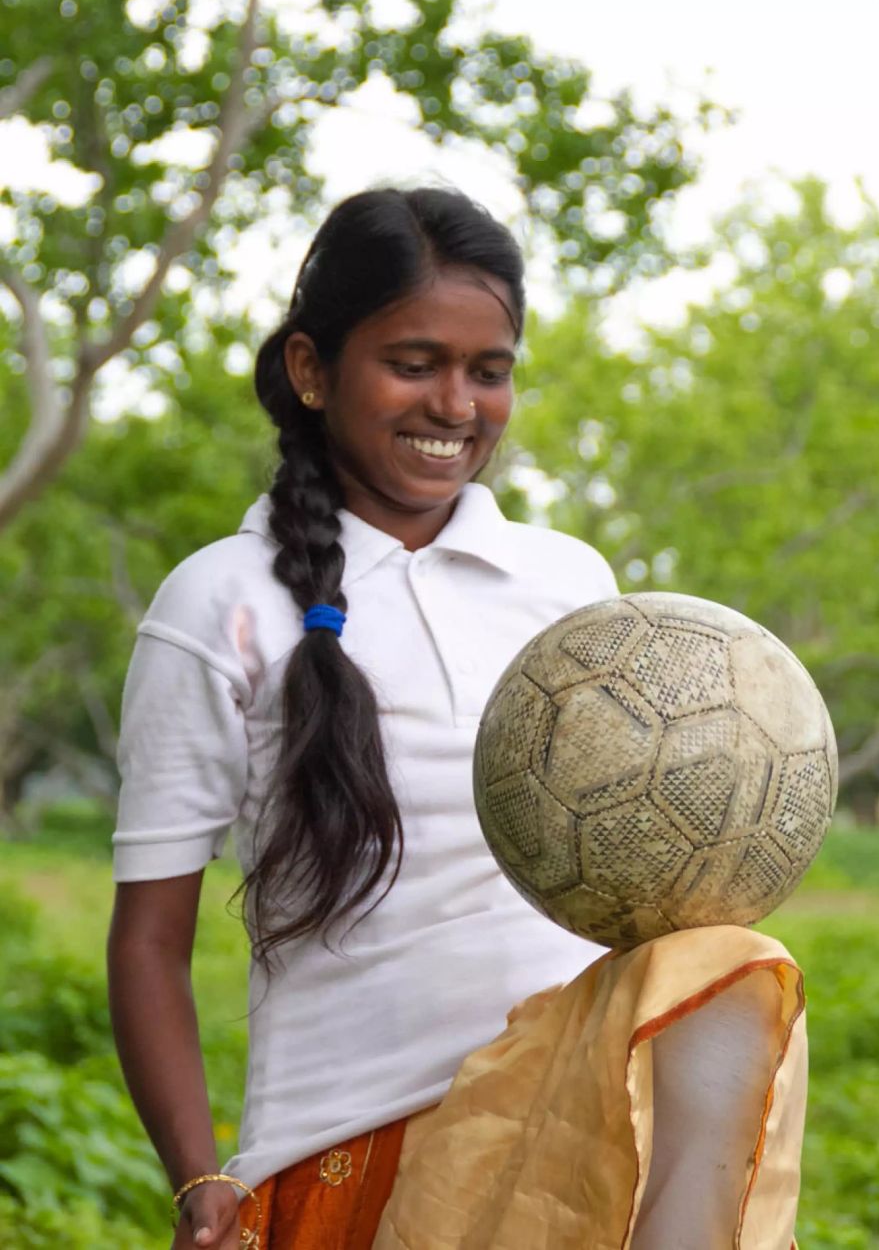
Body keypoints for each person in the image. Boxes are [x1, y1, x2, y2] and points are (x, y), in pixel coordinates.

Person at [108, 187, 806, 1250]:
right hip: (344, 1144)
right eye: (414, 361)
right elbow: (150, 939)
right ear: (311, 369)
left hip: (572, 1136)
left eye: (490, 371)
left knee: (731, 963)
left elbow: (648, 878)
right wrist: (198, 1175)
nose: (456, 404)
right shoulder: (221, 601)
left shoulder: (571, 585)